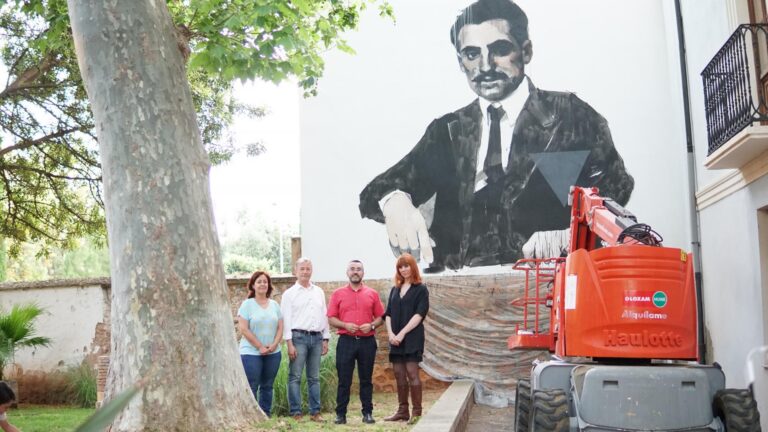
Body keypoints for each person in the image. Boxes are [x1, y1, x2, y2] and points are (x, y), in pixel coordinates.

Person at [359, 0, 634, 272]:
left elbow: (615, 189)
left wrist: (570, 235)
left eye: (500, 49)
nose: (485, 66)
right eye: (471, 54)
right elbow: (378, 189)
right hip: (462, 295)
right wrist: (395, 201)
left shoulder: (570, 115)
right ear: (460, 62)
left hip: (546, 283)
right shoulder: (448, 130)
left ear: (526, 51)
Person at [327, 260, 385, 425]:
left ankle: (367, 413)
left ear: (363, 273)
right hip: (346, 341)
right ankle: (341, 414)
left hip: (367, 342)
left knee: (366, 380)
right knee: (344, 380)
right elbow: (331, 317)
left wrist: (372, 324)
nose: (355, 272)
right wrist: (345, 325)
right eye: (352, 269)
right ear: (347, 272)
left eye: (358, 269)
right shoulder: (338, 294)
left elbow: (381, 316)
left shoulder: (372, 293)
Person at [281, 257, 331, 422]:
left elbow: (324, 315)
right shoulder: (289, 294)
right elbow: (286, 319)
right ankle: (296, 412)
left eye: (308, 268)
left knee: (314, 377)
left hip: (316, 338)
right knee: (295, 376)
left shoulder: (319, 292)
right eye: (302, 269)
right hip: (298, 338)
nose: (305, 272)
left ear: (311, 271)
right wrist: (289, 343)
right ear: (295, 271)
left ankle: (315, 412)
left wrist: (325, 338)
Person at [383, 253, 430, 423]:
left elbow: (420, 314)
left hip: (412, 337)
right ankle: (402, 411)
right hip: (395, 338)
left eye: (406, 265)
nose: (403, 269)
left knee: (412, 372)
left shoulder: (421, 289)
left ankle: (416, 412)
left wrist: (402, 333)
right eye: (400, 267)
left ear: (413, 267)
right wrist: (391, 334)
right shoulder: (395, 289)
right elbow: (387, 313)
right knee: (398, 373)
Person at [237, 270, 283, 417]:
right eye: (259, 281)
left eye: (265, 281)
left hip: (273, 353)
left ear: (268, 285)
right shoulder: (247, 305)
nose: (262, 284)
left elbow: (281, 327)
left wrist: (275, 344)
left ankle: (265, 415)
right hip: (251, 352)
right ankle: (251, 416)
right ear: (253, 285)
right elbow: (243, 328)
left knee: (267, 386)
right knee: (252, 385)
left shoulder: (275, 305)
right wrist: (260, 346)